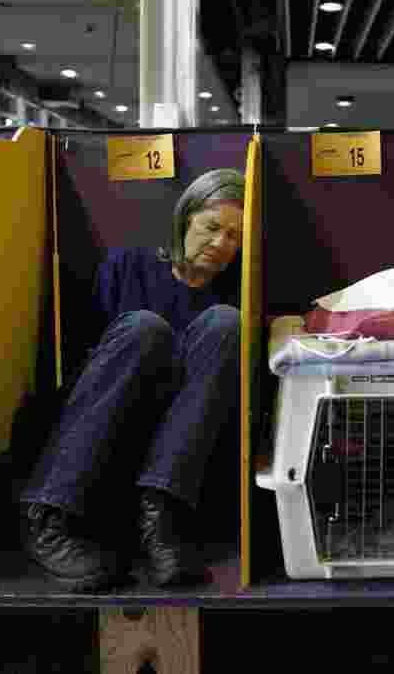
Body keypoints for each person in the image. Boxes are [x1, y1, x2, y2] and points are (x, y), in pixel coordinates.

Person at [18, 168, 244, 590]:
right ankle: (46, 515)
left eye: (233, 236)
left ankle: (159, 523)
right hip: (111, 428)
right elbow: (89, 372)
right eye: (212, 227)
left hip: (182, 458)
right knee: (144, 327)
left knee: (227, 322)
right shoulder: (128, 266)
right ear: (186, 218)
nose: (220, 243)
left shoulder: (236, 293)